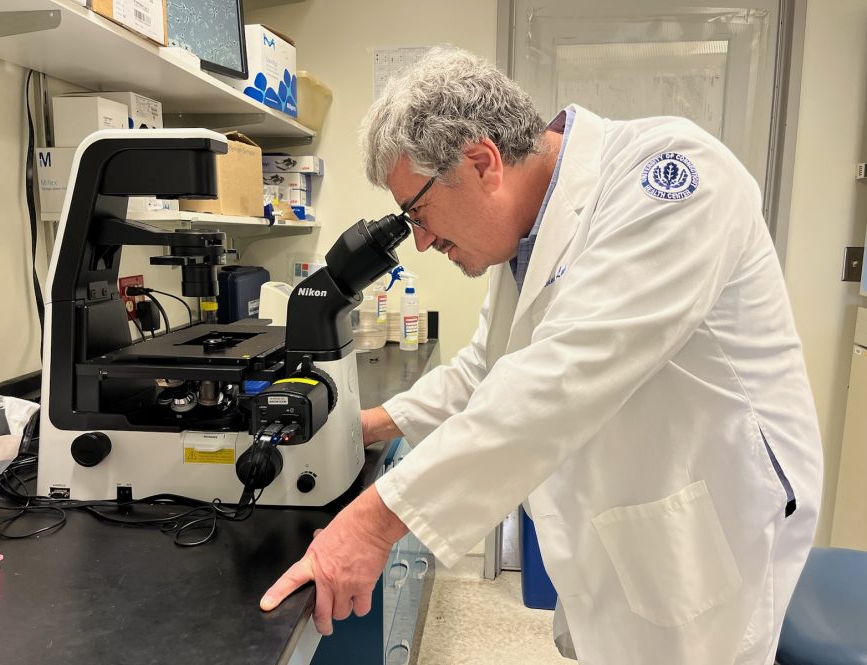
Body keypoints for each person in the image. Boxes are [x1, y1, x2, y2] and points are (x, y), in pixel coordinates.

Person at [258, 46, 823, 664]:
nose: (420, 240)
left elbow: (562, 379)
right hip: (633, 511)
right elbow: (485, 370)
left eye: (418, 212)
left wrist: (372, 521)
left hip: (710, 513)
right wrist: (365, 426)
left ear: (481, 162)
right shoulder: (527, 235)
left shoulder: (672, 177)